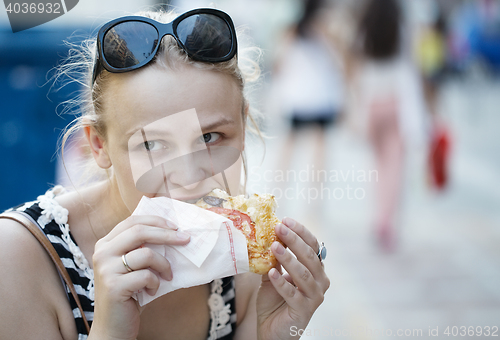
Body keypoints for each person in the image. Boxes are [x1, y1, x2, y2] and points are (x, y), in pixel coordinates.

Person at [0, 8, 329, 340]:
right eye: (151, 144)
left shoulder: (242, 265)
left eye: (209, 138)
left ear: (243, 128)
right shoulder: (19, 259)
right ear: (99, 146)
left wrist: (275, 333)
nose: (187, 177)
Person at [347, 0, 427, 250]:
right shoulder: (401, 24)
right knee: (395, 166)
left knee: (378, 165)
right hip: (395, 100)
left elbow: (354, 63)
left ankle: (378, 219)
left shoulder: (365, 24)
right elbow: (413, 62)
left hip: (371, 103)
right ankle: (386, 223)